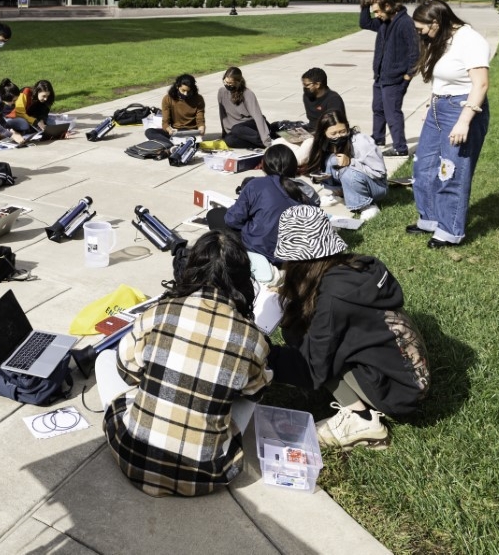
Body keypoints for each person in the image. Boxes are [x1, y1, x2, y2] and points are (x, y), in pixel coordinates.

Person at [96, 229, 271, 496]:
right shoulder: (254, 339)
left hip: (135, 458)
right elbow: (253, 391)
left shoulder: (158, 313)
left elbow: (127, 371)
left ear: (192, 268)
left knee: (105, 358)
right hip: (207, 475)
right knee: (249, 392)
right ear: (242, 278)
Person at [268, 205, 431, 449]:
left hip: (398, 393)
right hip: (411, 375)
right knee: (302, 327)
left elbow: (311, 367)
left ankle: (362, 420)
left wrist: (264, 355)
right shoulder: (359, 267)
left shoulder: (335, 299)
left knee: (298, 333)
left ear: (299, 261)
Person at [408, 0, 491, 248]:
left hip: (462, 108)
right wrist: (432, 106)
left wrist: (464, 121)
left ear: (436, 22)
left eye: (421, 29)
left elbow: (481, 84)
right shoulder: (442, 38)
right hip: (439, 107)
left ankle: (449, 231)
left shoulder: (470, 39)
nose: (420, 34)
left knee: (451, 171)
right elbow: (444, 79)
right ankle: (430, 218)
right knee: (424, 166)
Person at [206, 145, 318, 264]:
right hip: (297, 256)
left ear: (264, 164)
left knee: (214, 215)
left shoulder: (256, 185)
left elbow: (232, 220)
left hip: (262, 252)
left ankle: (234, 259)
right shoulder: (309, 192)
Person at [360, 0, 420, 157]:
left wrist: (408, 76)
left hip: (395, 79)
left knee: (392, 112)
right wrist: (365, 3)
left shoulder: (405, 23)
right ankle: (378, 139)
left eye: (378, 11)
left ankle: (400, 148)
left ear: (388, 6)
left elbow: (415, 52)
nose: (377, 15)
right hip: (380, 76)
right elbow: (364, 23)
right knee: (378, 109)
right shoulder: (383, 22)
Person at [305, 109, 388, 220]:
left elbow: (380, 173)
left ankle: (366, 205)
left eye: (343, 131)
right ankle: (340, 194)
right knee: (331, 161)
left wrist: (351, 162)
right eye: (333, 133)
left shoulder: (361, 141)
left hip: (377, 186)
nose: (339, 136)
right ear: (324, 133)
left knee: (348, 172)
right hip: (351, 180)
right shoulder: (323, 143)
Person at [270, 67, 346, 165]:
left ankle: (290, 163)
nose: (304, 88)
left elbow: (334, 128)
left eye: (307, 85)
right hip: (308, 132)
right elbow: (312, 121)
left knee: (304, 151)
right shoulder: (307, 96)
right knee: (276, 143)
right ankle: (290, 158)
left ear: (318, 84)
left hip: (323, 137)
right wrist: (300, 135)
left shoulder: (333, 99)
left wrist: (313, 136)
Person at [217, 67, 271, 149]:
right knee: (229, 140)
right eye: (226, 82)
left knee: (237, 129)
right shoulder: (221, 92)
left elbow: (258, 117)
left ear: (238, 82)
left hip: (251, 126)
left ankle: (267, 141)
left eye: (231, 83)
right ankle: (259, 144)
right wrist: (224, 133)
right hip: (237, 129)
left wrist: (266, 141)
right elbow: (222, 115)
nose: (227, 85)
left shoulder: (248, 94)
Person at [144, 74, 206, 145]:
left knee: (191, 141)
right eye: (183, 90)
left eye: (188, 91)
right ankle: (171, 144)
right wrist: (169, 129)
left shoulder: (198, 99)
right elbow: (165, 122)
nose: (186, 94)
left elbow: (200, 119)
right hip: (175, 131)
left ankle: (172, 144)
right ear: (177, 86)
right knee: (149, 131)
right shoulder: (167, 99)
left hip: (191, 131)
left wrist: (201, 128)